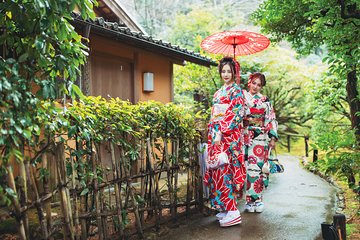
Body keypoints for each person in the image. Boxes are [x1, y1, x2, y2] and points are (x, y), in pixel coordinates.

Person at [203, 57, 246, 227]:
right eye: (223, 71)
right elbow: (214, 113)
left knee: (226, 171)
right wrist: (214, 132)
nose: (226, 74)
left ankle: (233, 210)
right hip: (216, 133)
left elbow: (236, 113)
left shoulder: (237, 91)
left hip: (228, 136)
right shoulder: (218, 92)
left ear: (234, 72)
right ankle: (224, 207)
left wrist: (221, 130)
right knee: (217, 170)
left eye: (229, 71)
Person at [243, 72, 278, 213]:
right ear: (249, 82)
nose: (256, 87)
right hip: (246, 136)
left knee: (258, 168)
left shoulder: (265, 100)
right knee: (246, 169)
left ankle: (258, 200)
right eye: (254, 83)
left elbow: (271, 119)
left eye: (259, 84)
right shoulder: (242, 98)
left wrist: (273, 138)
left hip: (261, 138)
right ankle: (248, 201)